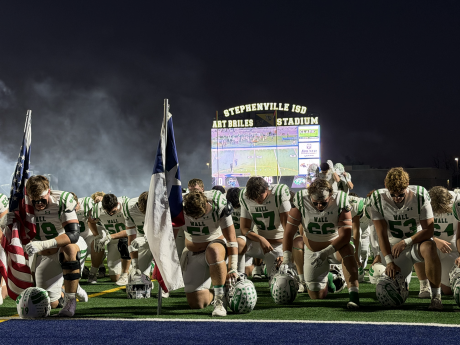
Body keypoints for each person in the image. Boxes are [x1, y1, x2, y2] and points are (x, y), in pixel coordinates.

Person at [369, 167, 442, 310]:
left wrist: (406, 241)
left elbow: (429, 230)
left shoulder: (419, 195)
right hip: (394, 246)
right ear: (386, 187)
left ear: (407, 185)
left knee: (430, 247)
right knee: (386, 282)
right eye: (393, 194)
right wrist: (389, 261)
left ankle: (436, 297)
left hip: (415, 242)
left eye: (401, 194)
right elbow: (381, 233)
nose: (397, 198)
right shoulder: (377, 198)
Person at [282, 178, 360, 309]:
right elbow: (289, 232)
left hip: (335, 248)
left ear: (330, 195)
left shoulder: (340, 199)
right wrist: (286, 259)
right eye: (315, 203)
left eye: (323, 203)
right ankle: (331, 275)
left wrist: (325, 253)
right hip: (313, 251)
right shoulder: (301, 199)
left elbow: (345, 236)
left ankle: (354, 297)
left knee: (348, 249)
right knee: (316, 295)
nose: (319, 206)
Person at [23, 175, 88, 317]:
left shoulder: (62, 199)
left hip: (66, 245)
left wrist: (42, 244)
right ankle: (71, 287)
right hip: (45, 254)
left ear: (48, 191)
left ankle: (71, 300)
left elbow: (73, 234)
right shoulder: (24, 203)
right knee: (50, 303)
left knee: (70, 249)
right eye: (35, 201)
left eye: (42, 199)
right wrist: (5, 221)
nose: (39, 204)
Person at [178, 190, 238, 317]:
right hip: (192, 252)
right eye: (192, 216)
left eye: (198, 215)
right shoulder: (176, 206)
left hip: (216, 245)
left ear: (206, 205)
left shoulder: (219, 205)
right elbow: (169, 238)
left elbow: (232, 239)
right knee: (197, 303)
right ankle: (219, 290)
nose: (195, 219)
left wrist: (233, 268)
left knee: (213, 250)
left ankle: (219, 300)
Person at [238, 177, 291, 280]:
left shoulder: (278, 195)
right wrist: (260, 239)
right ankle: (239, 277)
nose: (257, 201)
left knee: (279, 281)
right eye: (253, 198)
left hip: (279, 244)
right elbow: (244, 228)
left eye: (259, 197)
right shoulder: (245, 197)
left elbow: (288, 229)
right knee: (239, 243)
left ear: (267, 189)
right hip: (259, 244)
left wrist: (285, 253)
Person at [414, 186, 460, 297]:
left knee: (448, 291)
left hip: (450, 247)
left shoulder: (457, 202)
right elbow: (415, 230)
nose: (439, 212)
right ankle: (424, 284)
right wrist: (434, 239)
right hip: (428, 243)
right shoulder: (420, 202)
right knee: (416, 245)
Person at [87, 194, 131, 285]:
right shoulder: (97, 208)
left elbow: (131, 230)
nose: (110, 214)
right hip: (113, 242)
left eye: (113, 211)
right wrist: (97, 235)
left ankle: (128, 270)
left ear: (117, 204)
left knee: (124, 242)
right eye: (107, 211)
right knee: (115, 278)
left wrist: (110, 236)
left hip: (128, 239)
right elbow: (91, 221)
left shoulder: (126, 206)